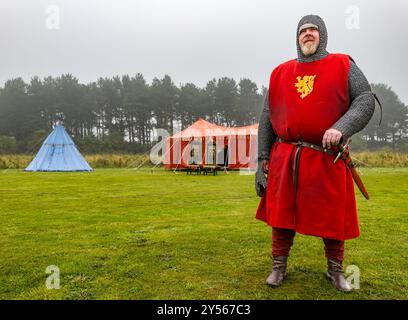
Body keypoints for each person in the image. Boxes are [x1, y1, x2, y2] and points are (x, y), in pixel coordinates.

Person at [255, 14, 376, 292]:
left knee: (333, 216)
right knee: (282, 214)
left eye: (313, 30)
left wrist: (341, 128)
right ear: (297, 38)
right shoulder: (280, 72)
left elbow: (365, 99)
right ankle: (278, 267)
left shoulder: (342, 64)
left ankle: (335, 271)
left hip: (326, 155)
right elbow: (267, 117)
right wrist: (262, 159)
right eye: (302, 31)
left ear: (322, 35)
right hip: (285, 155)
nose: (307, 34)